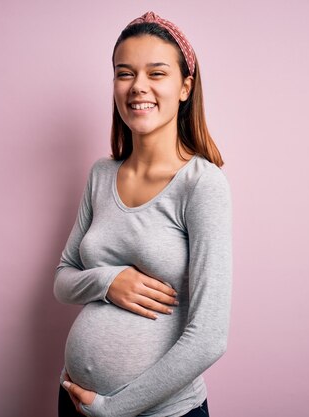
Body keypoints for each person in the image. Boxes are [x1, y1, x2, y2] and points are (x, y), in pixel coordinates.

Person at [54, 11, 232, 417]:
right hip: (74, 400)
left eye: (156, 73)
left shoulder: (201, 185)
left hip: (159, 414)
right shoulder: (101, 175)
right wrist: (108, 280)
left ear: (185, 87)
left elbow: (209, 338)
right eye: (124, 73)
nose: (138, 87)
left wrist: (113, 409)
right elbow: (62, 281)